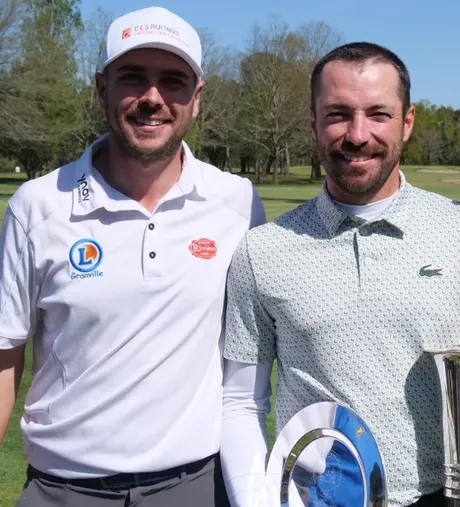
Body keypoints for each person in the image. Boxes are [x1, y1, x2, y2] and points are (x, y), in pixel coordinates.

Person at [219, 42, 460, 507]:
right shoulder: (263, 250)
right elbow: (242, 404)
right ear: (313, 123)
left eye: (378, 114)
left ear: (407, 122)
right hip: (319, 499)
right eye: (337, 114)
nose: (357, 134)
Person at [0, 6, 265, 507]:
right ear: (101, 88)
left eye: (173, 81)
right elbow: (3, 359)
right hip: (62, 488)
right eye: (132, 78)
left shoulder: (236, 202)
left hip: (194, 487)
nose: (152, 98)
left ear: (197, 98)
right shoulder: (37, 206)